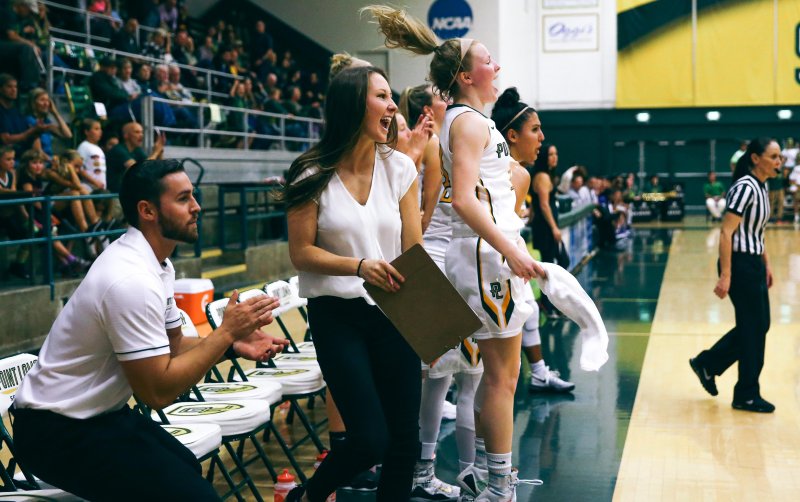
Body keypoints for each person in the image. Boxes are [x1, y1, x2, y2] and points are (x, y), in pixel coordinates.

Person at [12, 159, 287, 500]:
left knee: (185, 464)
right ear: (148, 210)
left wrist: (231, 347)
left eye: (194, 196)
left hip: (97, 416)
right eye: (184, 198)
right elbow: (157, 393)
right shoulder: (130, 280)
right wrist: (225, 334)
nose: (197, 206)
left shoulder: (156, 264)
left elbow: (172, 348)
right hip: (55, 432)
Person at [364, 6, 544, 501]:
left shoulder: (471, 121)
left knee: (487, 378)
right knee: (498, 380)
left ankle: (486, 479)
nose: (498, 66)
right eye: (488, 59)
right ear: (466, 75)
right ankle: (498, 487)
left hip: (482, 254)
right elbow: (462, 200)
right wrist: (513, 251)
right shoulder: (467, 123)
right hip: (484, 257)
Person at [284, 65, 422, 502]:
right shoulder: (310, 172)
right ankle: (307, 497)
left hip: (395, 311)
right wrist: (358, 266)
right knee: (368, 439)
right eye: (381, 97)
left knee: (405, 442)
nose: (392, 106)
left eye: (391, 96)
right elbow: (301, 252)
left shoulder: (400, 168)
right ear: (351, 105)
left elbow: (412, 251)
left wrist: (433, 326)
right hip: (336, 316)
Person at [492, 87, 575, 395]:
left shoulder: (505, 168)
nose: (542, 138)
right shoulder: (518, 174)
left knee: (529, 308)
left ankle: (539, 373)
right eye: (535, 130)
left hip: (499, 251)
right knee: (494, 376)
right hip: (493, 257)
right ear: (512, 135)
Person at [689, 137, 782, 413]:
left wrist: (766, 264)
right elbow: (726, 232)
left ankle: (708, 364)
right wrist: (726, 274)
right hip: (739, 265)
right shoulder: (745, 187)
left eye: (780, 158)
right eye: (774, 157)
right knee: (754, 328)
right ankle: (746, 393)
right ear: (756, 158)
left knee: (758, 326)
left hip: (753, 263)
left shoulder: (762, 188)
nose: (779, 162)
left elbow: (756, 232)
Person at [106, 122, 164, 193]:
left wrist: (160, 152)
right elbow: (136, 169)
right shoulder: (118, 150)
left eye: (142, 132)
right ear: (126, 135)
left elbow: (153, 166)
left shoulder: (137, 150)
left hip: (130, 193)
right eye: (137, 132)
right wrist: (156, 152)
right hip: (115, 194)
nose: (141, 135)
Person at [0, 73, 46, 156]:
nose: (14, 90)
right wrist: (30, 132)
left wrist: (36, 131)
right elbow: (5, 139)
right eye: (9, 87)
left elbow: (28, 135)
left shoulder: (16, 112)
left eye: (15, 87)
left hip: (23, 156)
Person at [530, 143, 561, 265]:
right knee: (548, 262)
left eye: (556, 154)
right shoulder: (543, 177)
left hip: (545, 224)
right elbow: (544, 205)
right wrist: (554, 228)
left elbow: (534, 201)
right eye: (550, 154)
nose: (555, 157)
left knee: (550, 260)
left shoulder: (546, 175)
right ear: (543, 157)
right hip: (545, 226)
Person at [25, 88, 72, 161]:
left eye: (47, 100)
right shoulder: (30, 120)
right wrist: (53, 161)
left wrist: (55, 112)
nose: (46, 103)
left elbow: (68, 135)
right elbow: (38, 152)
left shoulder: (46, 121)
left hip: (49, 159)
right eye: (42, 100)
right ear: (33, 103)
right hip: (38, 161)